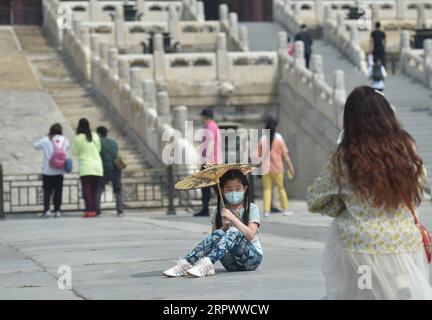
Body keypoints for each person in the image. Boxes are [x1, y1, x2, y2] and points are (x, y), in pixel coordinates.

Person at [307, 86, 432, 299]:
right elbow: (419, 184)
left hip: (359, 245)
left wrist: (343, 206)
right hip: (405, 242)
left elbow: (315, 199)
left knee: (344, 230)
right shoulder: (407, 149)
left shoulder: (345, 158)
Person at [163, 169, 263, 277]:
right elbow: (214, 240)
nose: (233, 192)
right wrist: (224, 228)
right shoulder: (219, 211)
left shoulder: (252, 208)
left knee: (234, 231)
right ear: (222, 191)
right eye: (229, 189)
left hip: (251, 259)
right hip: (230, 263)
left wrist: (233, 219)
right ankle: (185, 264)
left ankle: (207, 264)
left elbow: (250, 235)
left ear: (245, 189)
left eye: (238, 189)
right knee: (218, 234)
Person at [258, 118, 295, 217]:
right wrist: (290, 166)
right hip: (278, 168)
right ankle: (285, 209)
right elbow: (285, 154)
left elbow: (259, 155)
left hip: (266, 168)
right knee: (281, 188)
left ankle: (266, 211)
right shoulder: (279, 139)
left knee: (267, 189)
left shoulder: (262, 139)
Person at [34, 123, 69, 218]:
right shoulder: (65, 140)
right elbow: (66, 149)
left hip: (48, 171)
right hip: (60, 170)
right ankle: (58, 211)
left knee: (47, 191)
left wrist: (46, 137)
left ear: (51, 131)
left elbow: (35, 146)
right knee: (58, 191)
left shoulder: (46, 140)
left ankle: (47, 211)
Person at [71, 118, 103, 218]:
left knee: (87, 190)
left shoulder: (78, 138)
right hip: (97, 167)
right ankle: (94, 209)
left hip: (86, 167)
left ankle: (89, 210)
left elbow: (74, 152)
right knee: (94, 190)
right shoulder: (95, 136)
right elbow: (99, 149)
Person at [194, 108, 223, 217]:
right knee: (209, 186)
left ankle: (220, 207)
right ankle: (207, 208)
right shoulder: (213, 125)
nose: (200, 117)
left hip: (211, 161)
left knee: (212, 186)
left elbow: (210, 142)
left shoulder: (210, 126)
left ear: (204, 116)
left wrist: (207, 159)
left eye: (201, 116)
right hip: (213, 160)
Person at [95, 126, 123, 217]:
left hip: (104, 169)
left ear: (99, 133)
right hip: (116, 169)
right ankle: (120, 210)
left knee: (99, 189)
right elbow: (116, 154)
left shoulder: (99, 142)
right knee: (118, 190)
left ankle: (98, 210)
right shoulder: (113, 142)